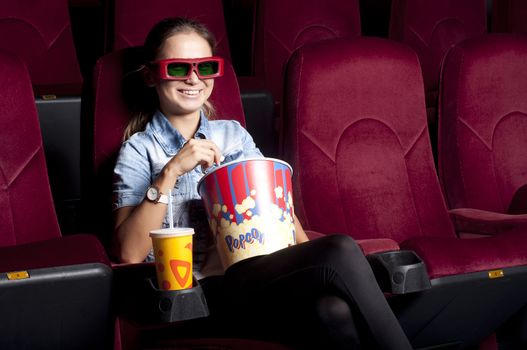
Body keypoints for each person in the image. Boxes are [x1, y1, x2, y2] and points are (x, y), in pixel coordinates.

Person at [112, 17, 413, 350]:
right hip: (196, 293)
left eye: (206, 67)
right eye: (179, 69)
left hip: (256, 273)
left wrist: (312, 257)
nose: (195, 79)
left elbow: (277, 210)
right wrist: (170, 172)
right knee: (340, 249)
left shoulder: (233, 135)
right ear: (151, 75)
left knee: (333, 310)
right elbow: (129, 252)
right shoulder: (139, 149)